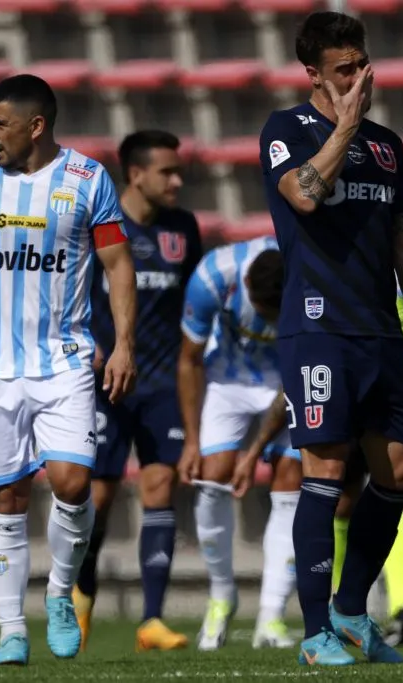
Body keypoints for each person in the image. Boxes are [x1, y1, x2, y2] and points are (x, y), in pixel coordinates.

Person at [0, 74, 137, 666]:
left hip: (64, 361)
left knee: (71, 481)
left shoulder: (88, 180)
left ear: (36, 126)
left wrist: (124, 346)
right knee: (7, 497)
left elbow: (117, 266)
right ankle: (12, 630)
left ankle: (60, 595)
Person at [258, 10, 403, 667]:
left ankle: (349, 609)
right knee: (325, 470)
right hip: (317, 329)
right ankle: (315, 632)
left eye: (362, 64)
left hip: (380, 331)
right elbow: (305, 197)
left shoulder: (387, 146)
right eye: (345, 69)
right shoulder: (286, 131)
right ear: (313, 73)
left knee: (398, 470)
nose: (359, 78)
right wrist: (343, 126)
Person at [237, 232, 403, 648]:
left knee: (395, 482)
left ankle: (395, 607)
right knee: (336, 491)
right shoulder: (327, 243)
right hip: (340, 363)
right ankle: (335, 615)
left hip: (394, 366)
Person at [73, 130, 203, 652]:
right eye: (167, 172)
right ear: (135, 174)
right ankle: (79, 604)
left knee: (159, 488)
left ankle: (151, 619)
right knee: (95, 500)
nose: (177, 181)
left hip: (162, 381)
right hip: (102, 385)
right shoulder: (98, 226)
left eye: (179, 171)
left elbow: (194, 308)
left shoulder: (183, 228)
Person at [174, 239, 297, 652]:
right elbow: (189, 359)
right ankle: (221, 595)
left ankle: (272, 616)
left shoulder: (307, 282)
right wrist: (191, 440)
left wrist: (255, 450)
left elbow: (297, 373)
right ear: (246, 284)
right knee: (211, 479)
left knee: (292, 482)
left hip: (284, 384)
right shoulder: (212, 276)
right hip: (226, 381)